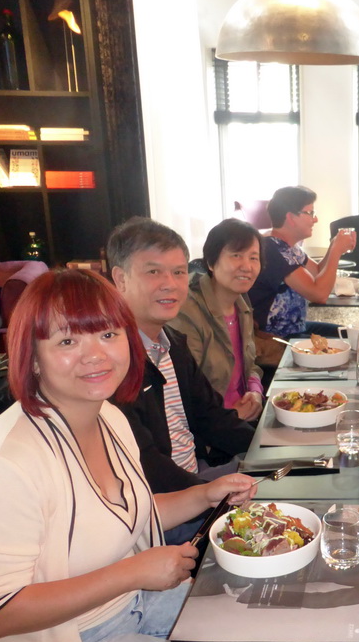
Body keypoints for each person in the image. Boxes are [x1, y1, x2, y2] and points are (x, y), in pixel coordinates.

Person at [0, 269, 258, 642]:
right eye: (67, 341)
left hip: (133, 607)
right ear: (33, 356)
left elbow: (116, 512)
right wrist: (133, 573)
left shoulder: (107, 416)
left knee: (254, 633)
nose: (95, 355)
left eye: (108, 334)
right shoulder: (6, 461)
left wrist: (202, 496)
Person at [107, 217, 256, 541]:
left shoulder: (171, 342)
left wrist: (264, 452)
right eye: (153, 272)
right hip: (163, 514)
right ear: (120, 279)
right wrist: (211, 497)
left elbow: (212, 416)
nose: (171, 284)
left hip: (197, 479)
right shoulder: (110, 363)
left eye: (178, 272)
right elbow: (147, 465)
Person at [168, 218, 265, 419]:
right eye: (236, 255)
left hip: (246, 417)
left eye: (254, 258)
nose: (247, 266)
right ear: (211, 262)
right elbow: (186, 392)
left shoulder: (241, 303)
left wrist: (255, 391)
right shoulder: (187, 312)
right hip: (213, 430)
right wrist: (230, 415)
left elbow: (250, 365)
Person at [246, 185, 356, 350]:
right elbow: (319, 294)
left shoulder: (287, 246)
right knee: (345, 345)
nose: (315, 219)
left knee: (350, 335)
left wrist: (334, 246)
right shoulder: (272, 248)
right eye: (310, 213)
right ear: (290, 217)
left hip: (295, 327)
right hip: (276, 337)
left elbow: (318, 272)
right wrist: (336, 252)